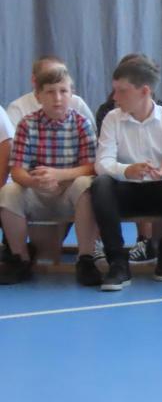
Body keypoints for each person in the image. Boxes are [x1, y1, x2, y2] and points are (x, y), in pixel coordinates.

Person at [90, 55, 162, 290]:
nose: (115, 97)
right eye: (115, 90)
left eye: (122, 91)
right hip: (126, 190)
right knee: (100, 185)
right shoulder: (112, 119)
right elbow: (102, 163)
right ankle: (118, 263)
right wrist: (127, 170)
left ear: (144, 91)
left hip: (160, 190)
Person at [0, 65, 100, 286]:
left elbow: (91, 167)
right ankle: (20, 259)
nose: (58, 98)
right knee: (8, 191)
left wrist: (59, 175)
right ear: (38, 96)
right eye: (50, 92)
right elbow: (17, 170)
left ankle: (85, 259)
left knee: (86, 184)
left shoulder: (81, 124)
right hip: (37, 192)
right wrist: (34, 181)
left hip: (68, 194)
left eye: (63, 91)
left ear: (72, 94)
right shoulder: (27, 125)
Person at [7, 55, 96, 128]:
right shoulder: (18, 108)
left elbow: (92, 136)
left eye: (61, 75)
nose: (57, 98)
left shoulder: (78, 104)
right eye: (49, 78)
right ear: (34, 80)